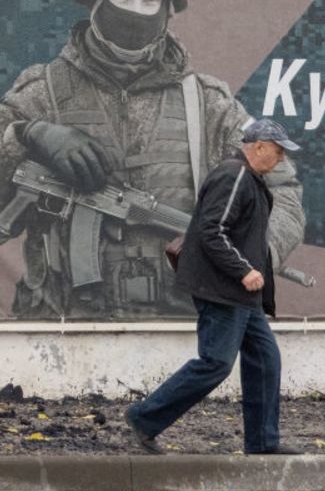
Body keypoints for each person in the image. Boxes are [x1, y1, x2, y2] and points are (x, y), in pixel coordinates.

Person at [0, 0, 305, 319]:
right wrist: (23, 137)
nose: (136, 13)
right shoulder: (41, 94)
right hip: (59, 330)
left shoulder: (208, 104)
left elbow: (281, 194)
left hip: (183, 328)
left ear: (169, 7)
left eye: (150, 1)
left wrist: (253, 254)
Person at [124, 118, 302, 455]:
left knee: (266, 361)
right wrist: (243, 271)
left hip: (242, 295)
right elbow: (212, 230)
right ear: (259, 147)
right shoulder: (234, 175)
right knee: (215, 363)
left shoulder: (249, 179)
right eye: (278, 152)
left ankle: (263, 443)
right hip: (223, 290)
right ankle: (144, 418)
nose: (281, 160)